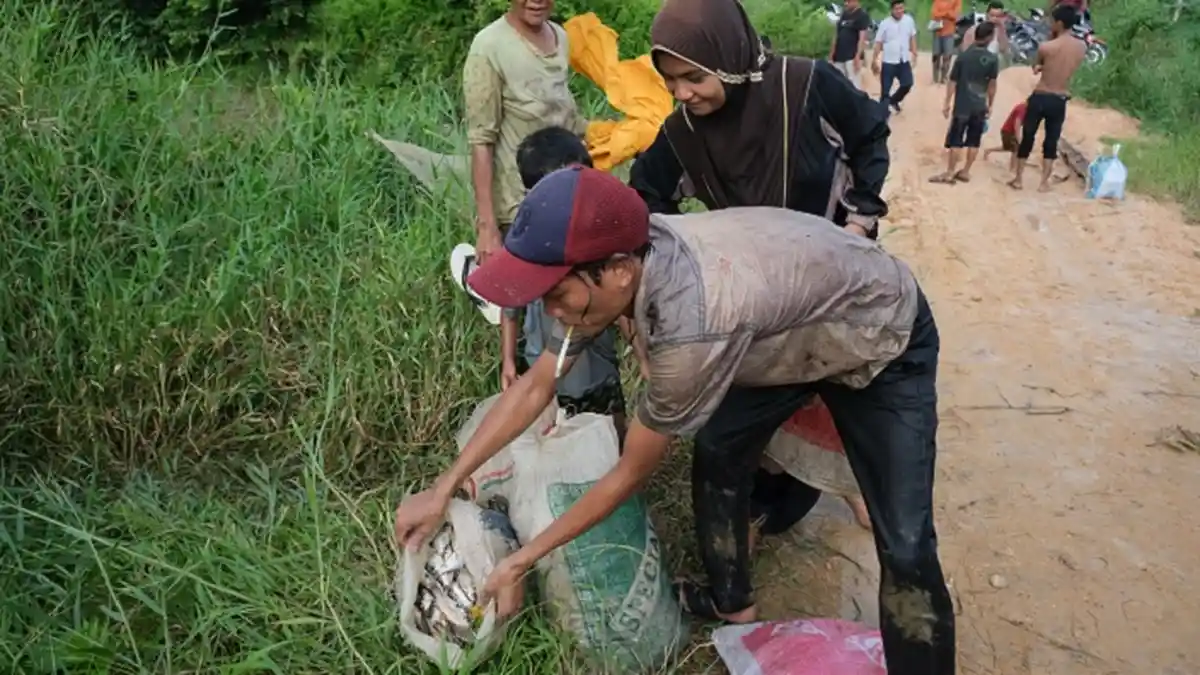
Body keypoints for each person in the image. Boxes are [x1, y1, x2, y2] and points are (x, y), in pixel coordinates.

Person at [394, 165, 957, 674]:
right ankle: (732, 600)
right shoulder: (624, 260)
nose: (551, 312)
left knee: (905, 545)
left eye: (556, 294)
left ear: (615, 272)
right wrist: (442, 487)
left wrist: (519, 561)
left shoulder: (689, 329)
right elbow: (540, 382)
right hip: (782, 332)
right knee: (719, 451)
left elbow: (628, 474)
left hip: (878, 333)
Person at [628, 0, 888, 531]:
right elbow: (647, 198)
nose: (683, 93)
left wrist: (858, 223)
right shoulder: (684, 133)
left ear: (727, 56)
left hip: (833, 273)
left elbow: (869, 135)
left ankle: (858, 483)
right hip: (758, 288)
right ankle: (774, 485)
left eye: (694, 77)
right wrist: (693, 260)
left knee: (843, 383)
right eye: (671, 81)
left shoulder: (805, 84)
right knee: (766, 392)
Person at [463, 0, 588, 395]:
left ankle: (574, 396)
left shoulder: (562, 38)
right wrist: (487, 227)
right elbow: (481, 141)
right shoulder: (490, 47)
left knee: (572, 304)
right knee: (536, 307)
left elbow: (568, 119)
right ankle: (532, 387)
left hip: (568, 199)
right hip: (522, 205)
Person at [499, 127, 634, 439]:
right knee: (552, 434)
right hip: (541, 358)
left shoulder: (602, 229)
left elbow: (625, 295)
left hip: (596, 361)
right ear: (532, 192)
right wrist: (508, 359)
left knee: (610, 432)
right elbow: (511, 301)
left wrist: (638, 344)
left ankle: (622, 478)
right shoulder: (525, 235)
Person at [1008, 4, 1086, 192]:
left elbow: (1036, 68)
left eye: (1052, 21)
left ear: (1059, 23)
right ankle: (1044, 183)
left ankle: (1018, 178)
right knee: (1051, 141)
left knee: (1028, 137)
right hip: (1060, 99)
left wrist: (1051, 40)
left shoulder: (1047, 46)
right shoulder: (1081, 47)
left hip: (1041, 95)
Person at [930, 22, 1000, 184]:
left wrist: (947, 102)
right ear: (989, 37)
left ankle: (949, 172)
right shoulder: (992, 59)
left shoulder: (963, 57)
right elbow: (992, 85)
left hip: (962, 105)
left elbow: (952, 81)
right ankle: (966, 171)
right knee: (974, 140)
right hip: (979, 105)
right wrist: (990, 104)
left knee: (956, 139)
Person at [872, 0, 918, 114]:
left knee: (907, 83)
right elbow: (878, 42)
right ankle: (882, 112)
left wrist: (915, 53)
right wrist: (874, 59)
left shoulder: (909, 21)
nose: (899, 11)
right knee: (885, 89)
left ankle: (894, 100)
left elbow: (912, 37)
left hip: (903, 59)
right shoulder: (885, 23)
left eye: (901, 8)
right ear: (892, 10)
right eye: (896, 9)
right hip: (889, 61)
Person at [829, 0, 872, 89]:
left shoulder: (862, 15)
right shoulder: (844, 15)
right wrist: (831, 54)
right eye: (845, 1)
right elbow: (836, 35)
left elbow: (862, 38)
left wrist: (858, 56)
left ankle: (856, 102)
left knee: (854, 84)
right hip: (839, 55)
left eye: (848, 1)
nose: (846, 4)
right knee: (839, 83)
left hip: (852, 56)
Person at [983, 99, 1028, 172]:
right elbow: (1017, 124)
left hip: (1006, 130)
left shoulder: (1022, 107)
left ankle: (988, 151)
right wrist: (1018, 137)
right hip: (1009, 131)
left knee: (1007, 147)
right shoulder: (1022, 109)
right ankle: (1012, 168)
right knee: (1016, 149)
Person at [930, 0, 961, 83]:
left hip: (949, 32)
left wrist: (942, 14)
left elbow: (955, 15)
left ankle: (944, 77)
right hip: (937, 31)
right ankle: (935, 78)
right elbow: (934, 14)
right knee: (936, 55)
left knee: (947, 56)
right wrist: (947, 13)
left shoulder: (957, 1)